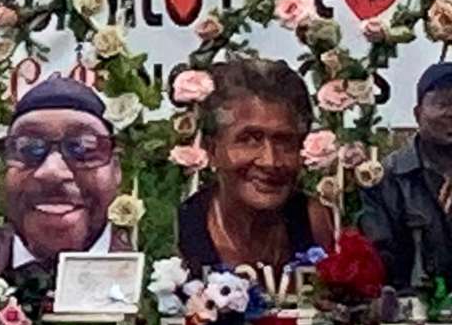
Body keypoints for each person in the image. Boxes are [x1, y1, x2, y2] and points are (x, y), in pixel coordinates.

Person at [176, 58, 333, 275]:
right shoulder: (179, 229)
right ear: (212, 150)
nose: (270, 161)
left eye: (284, 141)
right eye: (250, 139)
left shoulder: (315, 222)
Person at [0, 77, 127, 277]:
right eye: (28, 147)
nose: (52, 171)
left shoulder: (162, 287)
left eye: (83, 147)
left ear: (116, 170)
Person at [366, 60, 452, 291]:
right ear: (418, 113)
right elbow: (379, 258)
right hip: (411, 313)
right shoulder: (387, 177)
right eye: (442, 104)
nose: (451, 113)